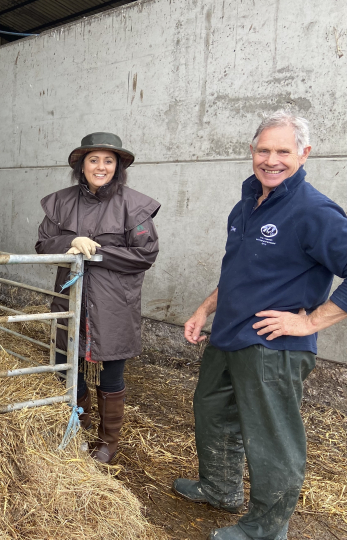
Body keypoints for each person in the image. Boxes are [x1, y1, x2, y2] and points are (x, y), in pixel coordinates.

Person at [176, 111, 347, 540]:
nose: (272, 160)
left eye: (283, 151)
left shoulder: (315, 211)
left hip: (273, 345)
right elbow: (238, 271)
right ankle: (221, 488)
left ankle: (267, 528)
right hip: (229, 334)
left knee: (271, 438)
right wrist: (204, 310)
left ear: (304, 154)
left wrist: (308, 321)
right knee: (211, 411)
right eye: (264, 150)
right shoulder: (246, 205)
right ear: (252, 152)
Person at [35, 132, 160, 463]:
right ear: (81, 164)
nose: (101, 166)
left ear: (118, 166)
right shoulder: (60, 202)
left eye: (108, 160)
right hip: (70, 297)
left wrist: (98, 253)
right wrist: (70, 242)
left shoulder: (134, 205)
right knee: (67, 364)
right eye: (94, 160)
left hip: (113, 302)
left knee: (112, 370)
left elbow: (145, 253)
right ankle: (78, 420)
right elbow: (42, 243)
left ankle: (108, 442)